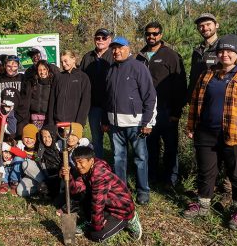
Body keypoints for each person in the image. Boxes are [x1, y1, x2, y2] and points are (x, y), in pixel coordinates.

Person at [184, 34, 237, 230]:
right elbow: (195, 102)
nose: (225, 54)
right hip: (206, 133)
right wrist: (191, 126)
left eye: (229, 51)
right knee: (206, 171)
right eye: (221, 51)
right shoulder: (208, 74)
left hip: (235, 134)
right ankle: (203, 205)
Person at [105, 37, 157, 205]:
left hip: (135, 123)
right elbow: (107, 97)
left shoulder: (138, 67)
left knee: (140, 158)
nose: (116, 51)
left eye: (120, 48)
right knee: (118, 158)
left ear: (128, 48)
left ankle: (143, 191)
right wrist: (105, 120)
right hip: (115, 124)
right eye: (114, 48)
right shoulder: (111, 69)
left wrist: (148, 122)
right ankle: (121, 190)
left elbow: (150, 96)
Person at [136, 22, 187, 187]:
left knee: (170, 147)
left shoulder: (171, 56)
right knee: (150, 146)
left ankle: (170, 180)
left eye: (155, 33)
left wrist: (176, 112)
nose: (151, 36)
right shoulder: (140, 56)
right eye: (148, 33)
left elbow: (180, 84)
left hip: (167, 110)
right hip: (147, 111)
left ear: (161, 35)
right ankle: (151, 177)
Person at [60, 147, 142, 242]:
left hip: (121, 210)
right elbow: (76, 189)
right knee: (84, 194)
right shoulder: (86, 169)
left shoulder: (100, 175)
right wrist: (68, 177)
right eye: (75, 162)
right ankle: (91, 221)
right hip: (108, 205)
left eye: (80, 162)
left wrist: (97, 226)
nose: (78, 166)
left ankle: (131, 219)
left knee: (97, 236)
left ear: (91, 160)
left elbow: (97, 203)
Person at [80, 28, 114, 158]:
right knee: (96, 139)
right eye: (97, 38)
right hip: (93, 106)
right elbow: (81, 79)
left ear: (109, 40)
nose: (100, 40)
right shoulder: (88, 57)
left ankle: (117, 171)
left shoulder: (114, 55)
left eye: (103, 38)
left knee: (114, 140)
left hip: (111, 106)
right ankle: (99, 167)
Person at [47, 50, 91, 127]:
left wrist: (79, 124)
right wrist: (51, 122)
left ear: (73, 59)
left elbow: (85, 102)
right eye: (61, 62)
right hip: (58, 123)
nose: (63, 64)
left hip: (74, 123)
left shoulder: (83, 77)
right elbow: (52, 101)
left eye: (65, 61)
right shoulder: (58, 77)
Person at [188, 13, 220, 102]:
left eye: (208, 24)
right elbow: (193, 77)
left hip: (216, 100)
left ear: (216, 25)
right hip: (197, 100)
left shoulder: (223, 49)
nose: (205, 28)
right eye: (201, 26)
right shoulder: (197, 51)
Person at [18, 60, 54, 133]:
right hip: (33, 117)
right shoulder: (33, 83)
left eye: (44, 69)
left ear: (48, 70)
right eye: (40, 70)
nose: (42, 72)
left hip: (47, 117)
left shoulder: (53, 83)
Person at [0, 55, 24, 136]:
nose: (11, 68)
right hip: (3, 117)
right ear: (5, 66)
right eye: (9, 66)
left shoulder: (23, 78)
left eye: (15, 66)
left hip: (19, 118)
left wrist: (19, 117)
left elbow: (26, 99)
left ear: (18, 66)